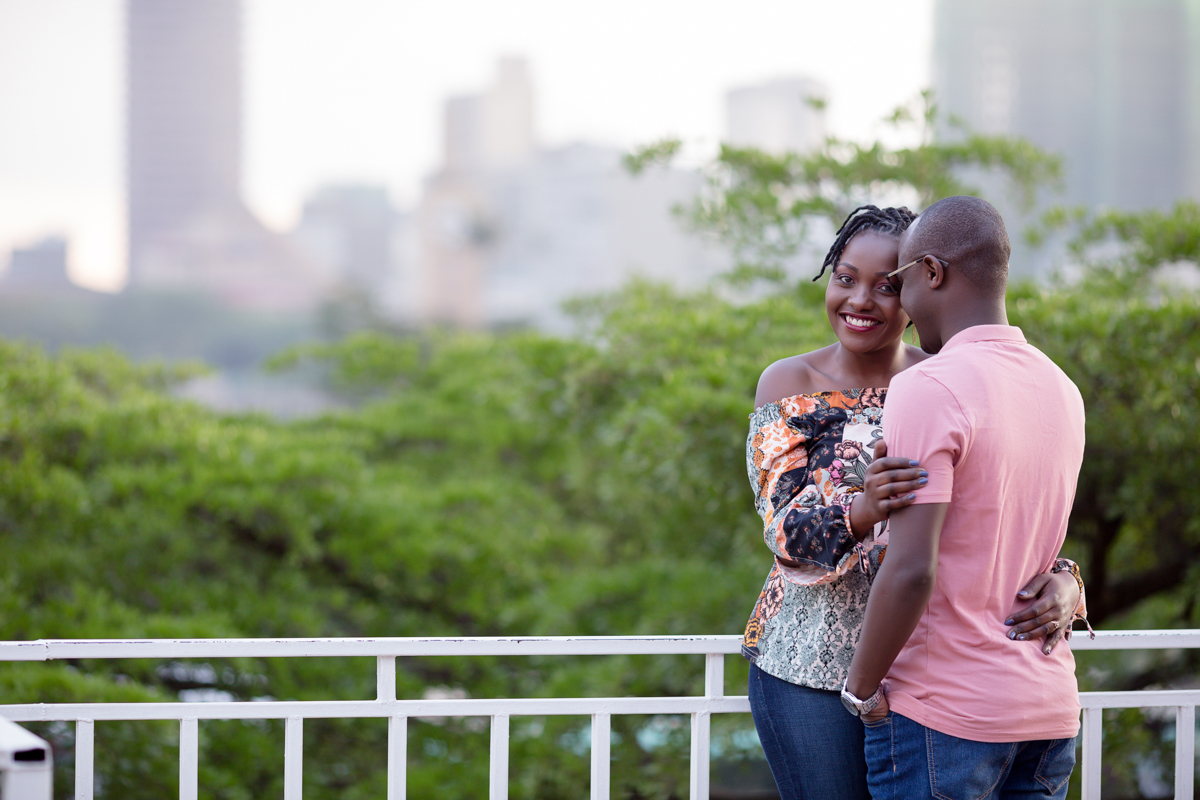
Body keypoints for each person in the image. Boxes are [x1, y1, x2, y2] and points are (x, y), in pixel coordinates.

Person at [742, 205, 1086, 800]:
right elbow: (782, 530)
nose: (862, 300)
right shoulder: (788, 382)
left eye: (886, 285)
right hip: (815, 669)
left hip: (934, 680)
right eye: (846, 278)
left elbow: (998, 510)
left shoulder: (948, 379)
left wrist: (1066, 581)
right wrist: (864, 508)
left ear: (924, 283)